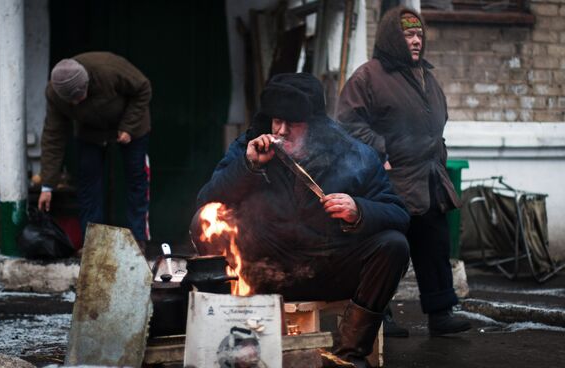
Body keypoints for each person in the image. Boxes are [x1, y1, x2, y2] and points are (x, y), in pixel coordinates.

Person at [193, 73, 410, 367]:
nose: (280, 131)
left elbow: (398, 213)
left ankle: (349, 354)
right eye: (276, 121)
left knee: (394, 245)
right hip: (265, 272)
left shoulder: (352, 154)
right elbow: (206, 200)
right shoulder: (252, 147)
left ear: (315, 125)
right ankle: (234, 342)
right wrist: (248, 167)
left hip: (329, 267)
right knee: (203, 222)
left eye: (292, 124)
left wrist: (359, 209)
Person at [337, 7, 471, 337]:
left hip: (428, 179)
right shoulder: (368, 77)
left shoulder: (426, 75)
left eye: (419, 35)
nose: (415, 41)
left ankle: (440, 313)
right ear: (392, 39)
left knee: (434, 245)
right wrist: (381, 151)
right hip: (389, 181)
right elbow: (348, 125)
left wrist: (437, 157)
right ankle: (376, 316)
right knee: (389, 247)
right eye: (408, 35)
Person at [37, 52, 152, 251]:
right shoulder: (54, 94)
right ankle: (93, 245)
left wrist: (128, 126)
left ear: (87, 83)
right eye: (71, 100)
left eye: (80, 95)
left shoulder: (108, 70)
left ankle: (138, 239)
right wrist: (47, 185)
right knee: (88, 183)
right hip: (89, 130)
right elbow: (53, 136)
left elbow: (143, 88)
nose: (76, 102)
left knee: (136, 178)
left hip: (131, 124)